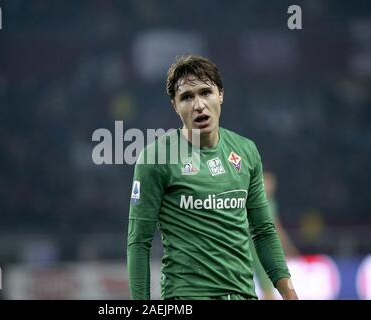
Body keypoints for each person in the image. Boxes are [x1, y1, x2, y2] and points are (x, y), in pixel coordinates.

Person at [127, 54, 298, 300]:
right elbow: (139, 243)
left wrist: (290, 294)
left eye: (205, 92)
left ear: (221, 95)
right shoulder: (156, 158)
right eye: (187, 97)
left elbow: (263, 231)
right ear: (175, 105)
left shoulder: (246, 151)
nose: (198, 105)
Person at [250, 171, 300, 299]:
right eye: (266, 183)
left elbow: (276, 228)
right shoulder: (251, 200)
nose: (269, 188)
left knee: (266, 284)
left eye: (271, 185)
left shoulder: (270, 203)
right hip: (248, 246)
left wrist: (289, 248)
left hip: (260, 247)